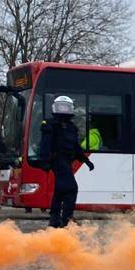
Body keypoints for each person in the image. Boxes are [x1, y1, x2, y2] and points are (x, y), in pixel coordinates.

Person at [36, 95, 95, 228]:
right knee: (71, 188)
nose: (63, 109)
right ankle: (66, 219)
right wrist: (43, 160)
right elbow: (45, 143)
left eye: (65, 107)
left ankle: (54, 219)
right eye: (60, 107)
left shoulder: (71, 127)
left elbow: (76, 146)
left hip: (66, 160)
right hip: (57, 159)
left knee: (60, 190)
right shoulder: (50, 124)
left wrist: (86, 160)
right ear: (55, 108)